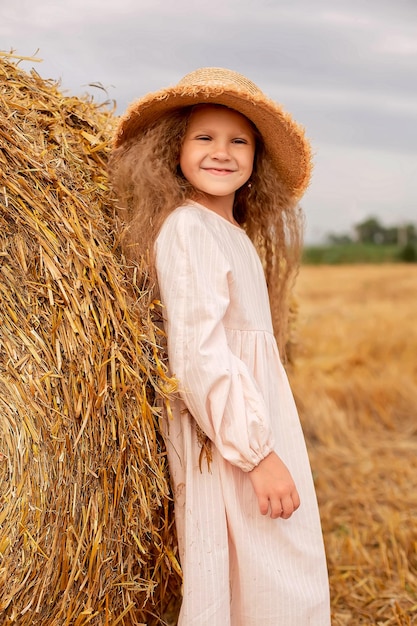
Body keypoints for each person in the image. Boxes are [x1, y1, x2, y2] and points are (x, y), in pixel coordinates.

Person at [109, 67, 330, 626]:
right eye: (203, 137)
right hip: (231, 439)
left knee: (270, 575)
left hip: (251, 425)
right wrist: (257, 454)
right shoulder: (188, 228)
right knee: (263, 577)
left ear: (256, 158)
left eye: (239, 141)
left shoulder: (228, 233)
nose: (222, 152)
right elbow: (199, 352)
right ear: (173, 150)